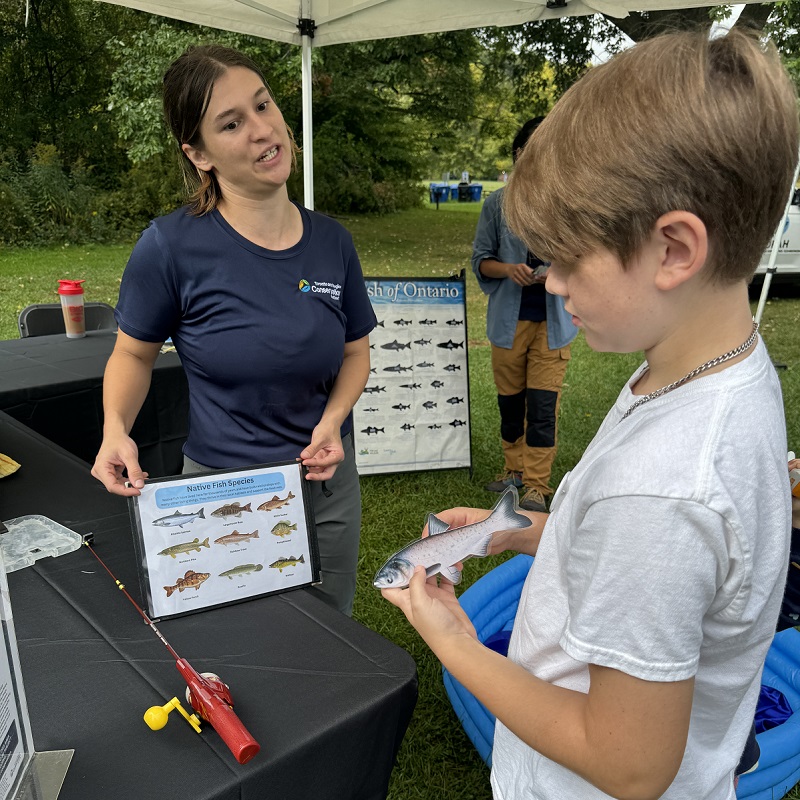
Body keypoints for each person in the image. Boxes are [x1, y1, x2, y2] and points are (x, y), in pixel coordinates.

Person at [382, 28, 798, 800]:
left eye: (571, 259)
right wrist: (515, 531)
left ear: (674, 249)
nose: (557, 285)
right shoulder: (707, 366)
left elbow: (627, 763)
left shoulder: (663, 491)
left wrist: (454, 642)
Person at [91, 44, 376, 617]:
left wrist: (332, 421)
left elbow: (354, 352)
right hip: (223, 495)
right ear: (198, 154)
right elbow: (132, 354)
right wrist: (115, 427)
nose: (262, 130)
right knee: (238, 646)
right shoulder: (171, 248)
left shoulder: (332, 242)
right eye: (231, 123)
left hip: (325, 488)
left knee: (330, 639)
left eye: (263, 106)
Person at [472, 118, 578, 513]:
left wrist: (558, 270)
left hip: (555, 324)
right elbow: (481, 260)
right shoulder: (496, 205)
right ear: (518, 154)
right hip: (508, 322)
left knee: (542, 407)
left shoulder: (568, 204)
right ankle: (513, 472)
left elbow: (582, 258)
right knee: (511, 405)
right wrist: (508, 270)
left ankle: (536, 486)